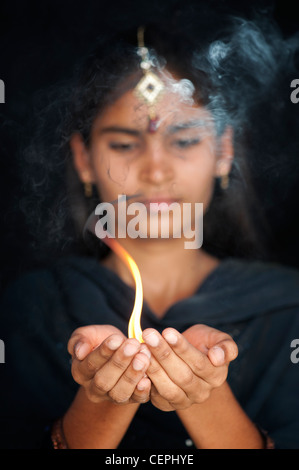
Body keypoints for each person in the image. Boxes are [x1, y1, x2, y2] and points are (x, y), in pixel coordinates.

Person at [1, 13, 299, 450]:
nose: (156, 171)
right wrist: (101, 402)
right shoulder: (29, 312)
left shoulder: (288, 310)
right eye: (124, 144)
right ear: (84, 159)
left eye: (184, 141)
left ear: (223, 151)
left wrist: (205, 398)